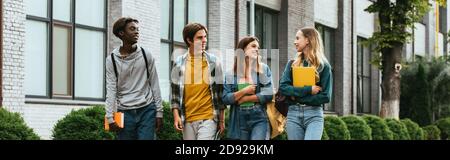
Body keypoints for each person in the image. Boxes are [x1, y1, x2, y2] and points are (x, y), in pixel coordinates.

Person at [105, 17, 163, 140]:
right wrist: (109, 116)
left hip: (147, 110)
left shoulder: (146, 55)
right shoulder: (112, 60)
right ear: (121, 33)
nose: (137, 32)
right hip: (124, 113)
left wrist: (159, 112)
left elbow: (154, 84)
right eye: (132, 29)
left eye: (137, 29)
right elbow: (111, 89)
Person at [171, 23, 225, 140]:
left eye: (205, 36)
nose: (204, 40)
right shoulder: (179, 63)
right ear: (189, 40)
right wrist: (176, 116)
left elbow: (220, 94)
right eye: (200, 38)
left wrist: (221, 120)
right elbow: (175, 94)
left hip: (208, 118)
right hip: (188, 119)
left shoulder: (214, 62)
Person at [279, 27, 333, 140]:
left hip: (314, 115)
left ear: (308, 40)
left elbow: (325, 96)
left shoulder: (324, 66)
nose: (295, 42)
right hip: (293, 115)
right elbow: (283, 88)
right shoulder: (292, 64)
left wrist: (296, 97)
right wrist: (309, 90)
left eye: (298, 38)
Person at [222, 36, 274, 140]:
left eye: (258, 48)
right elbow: (225, 98)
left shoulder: (263, 69)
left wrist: (246, 98)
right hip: (238, 118)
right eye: (253, 46)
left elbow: (268, 93)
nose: (257, 49)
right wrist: (244, 91)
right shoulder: (230, 74)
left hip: (259, 117)